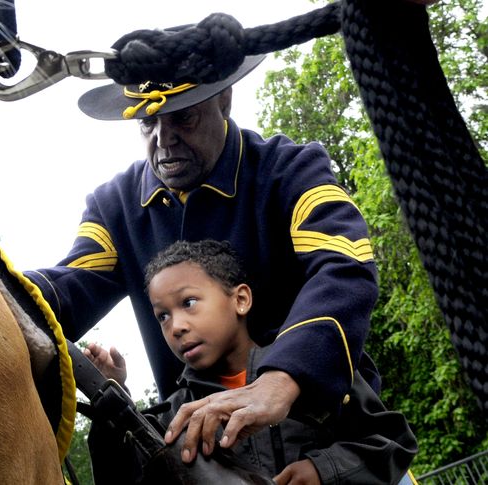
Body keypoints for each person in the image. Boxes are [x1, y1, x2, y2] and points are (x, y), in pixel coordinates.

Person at [25, 52, 381, 454]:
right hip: (209, 459)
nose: (163, 138)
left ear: (224, 101)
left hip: (337, 446)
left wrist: (283, 377)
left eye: (182, 117)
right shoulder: (113, 206)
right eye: (148, 122)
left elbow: (344, 268)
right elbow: (67, 288)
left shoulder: (292, 170)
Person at [89, 239, 417, 484]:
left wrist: (322, 469)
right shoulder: (172, 420)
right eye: (162, 316)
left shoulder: (315, 372)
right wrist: (113, 400)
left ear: (241, 300)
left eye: (188, 302)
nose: (176, 326)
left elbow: (393, 444)